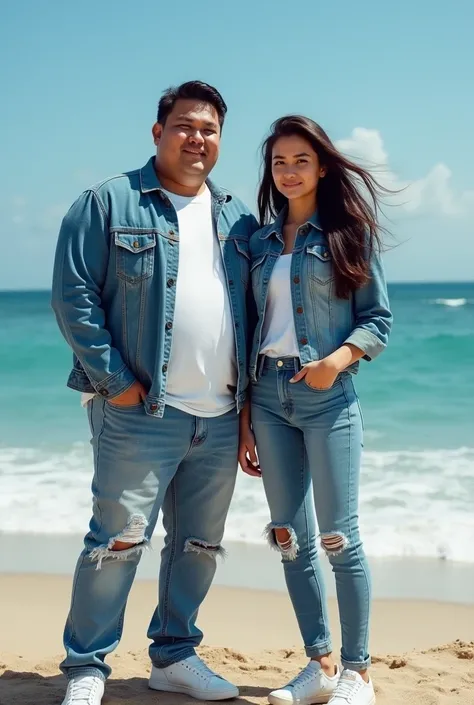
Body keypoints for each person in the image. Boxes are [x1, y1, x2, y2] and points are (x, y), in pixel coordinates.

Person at [51, 80, 258, 705]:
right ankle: (87, 667)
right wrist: (115, 384)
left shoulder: (237, 218)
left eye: (210, 129)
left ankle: (173, 656)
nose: (198, 138)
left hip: (221, 412)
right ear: (158, 131)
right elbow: (73, 297)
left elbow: (252, 310)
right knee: (117, 541)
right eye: (185, 125)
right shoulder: (108, 203)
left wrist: (249, 407)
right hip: (140, 409)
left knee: (199, 545)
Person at [239, 116, 393, 705]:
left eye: (300, 159)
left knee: (338, 536)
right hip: (268, 398)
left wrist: (337, 359)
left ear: (322, 165)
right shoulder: (258, 241)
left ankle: (358, 672)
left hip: (327, 396)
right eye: (279, 162)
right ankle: (319, 664)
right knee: (288, 536)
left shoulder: (346, 233)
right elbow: (251, 327)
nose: (289, 171)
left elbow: (377, 320)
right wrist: (247, 414)